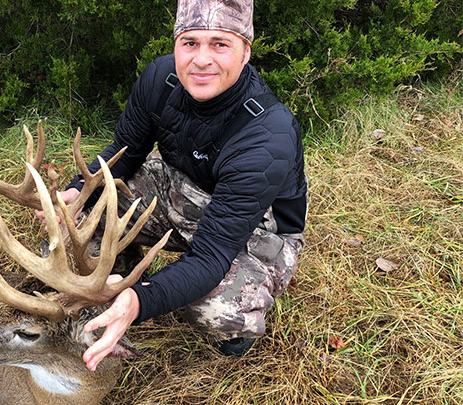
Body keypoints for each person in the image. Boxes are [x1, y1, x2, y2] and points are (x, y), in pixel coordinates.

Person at [51, 0, 307, 372]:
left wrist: (141, 300)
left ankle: (237, 332)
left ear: (246, 51)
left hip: (255, 228)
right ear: (176, 45)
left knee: (214, 310)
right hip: (178, 186)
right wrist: (78, 191)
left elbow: (211, 255)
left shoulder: (267, 136)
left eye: (220, 44)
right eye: (190, 43)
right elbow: (125, 152)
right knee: (78, 218)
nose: (201, 59)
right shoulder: (161, 78)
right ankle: (119, 268)